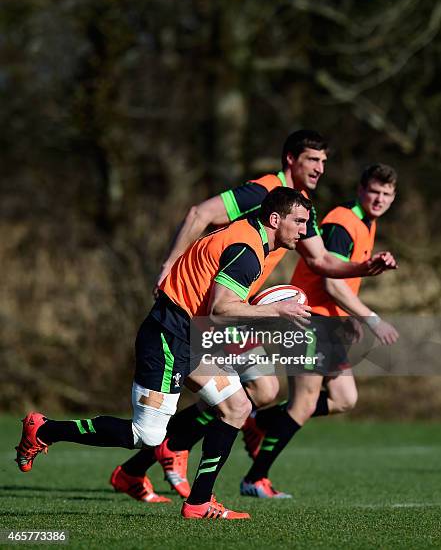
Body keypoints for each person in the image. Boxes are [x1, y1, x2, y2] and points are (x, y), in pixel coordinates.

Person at [110, 130, 397, 502]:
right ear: (291, 159)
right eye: (313, 160)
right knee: (256, 395)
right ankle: (168, 453)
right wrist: (170, 263)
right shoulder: (262, 191)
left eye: (324, 162)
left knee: (262, 391)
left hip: (233, 311)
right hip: (208, 308)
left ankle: (143, 465)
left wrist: (364, 267)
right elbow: (200, 213)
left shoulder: (301, 207)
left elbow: (322, 260)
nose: (320, 168)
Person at [15, 187, 312, 520]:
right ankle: (44, 430)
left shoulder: (247, 234)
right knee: (147, 435)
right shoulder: (246, 251)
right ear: (275, 219)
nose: (304, 230)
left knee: (237, 405)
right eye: (299, 222)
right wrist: (277, 313)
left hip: (192, 337)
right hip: (168, 338)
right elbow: (221, 308)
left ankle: (200, 502)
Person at [240, 163, 399, 498]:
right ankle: (255, 478)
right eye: (374, 191)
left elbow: (345, 284)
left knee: (345, 398)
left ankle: (260, 420)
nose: (379, 198)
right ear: (360, 189)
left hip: (329, 323)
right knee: (303, 404)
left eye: (387, 193)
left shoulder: (367, 224)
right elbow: (330, 281)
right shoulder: (343, 222)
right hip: (307, 318)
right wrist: (372, 319)